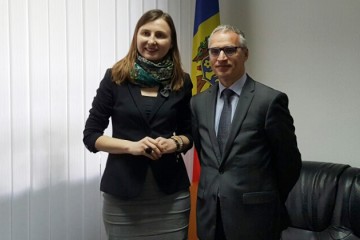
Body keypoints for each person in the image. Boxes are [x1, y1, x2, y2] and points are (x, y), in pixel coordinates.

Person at [83, 9, 193, 240]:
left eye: (160, 35)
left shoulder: (182, 82)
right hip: (123, 195)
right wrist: (131, 147)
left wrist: (174, 143)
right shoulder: (115, 77)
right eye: (146, 33)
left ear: (171, 42)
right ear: (136, 37)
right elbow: (91, 136)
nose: (152, 41)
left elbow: (189, 133)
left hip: (171, 194)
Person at [191, 25, 302, 240]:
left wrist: (264, 197)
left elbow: (289, 162)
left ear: (245, 53)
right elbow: (206, 155)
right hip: (210, 217)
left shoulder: (269, 101)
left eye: (229, 50)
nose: (221, 57)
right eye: (214, 51)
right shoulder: (198, 103)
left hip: (255, 218)